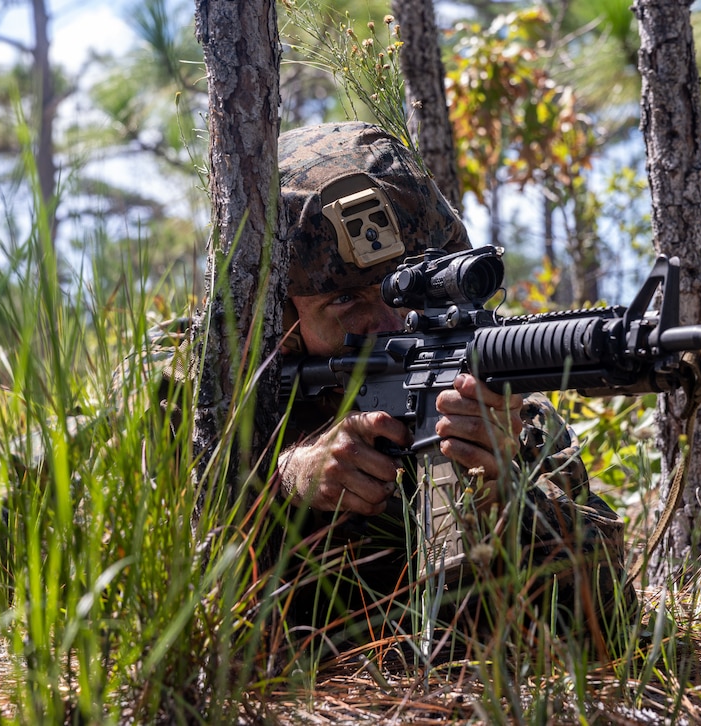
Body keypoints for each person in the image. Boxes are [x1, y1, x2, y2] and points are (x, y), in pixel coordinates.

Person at [270, 122, 637, 652]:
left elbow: (609, 626)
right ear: (280, 319)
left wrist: (506, 491)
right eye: (346, 302)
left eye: (406, 284)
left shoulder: (498, 404)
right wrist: (288, 479)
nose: (393, 322)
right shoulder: (204, 385)